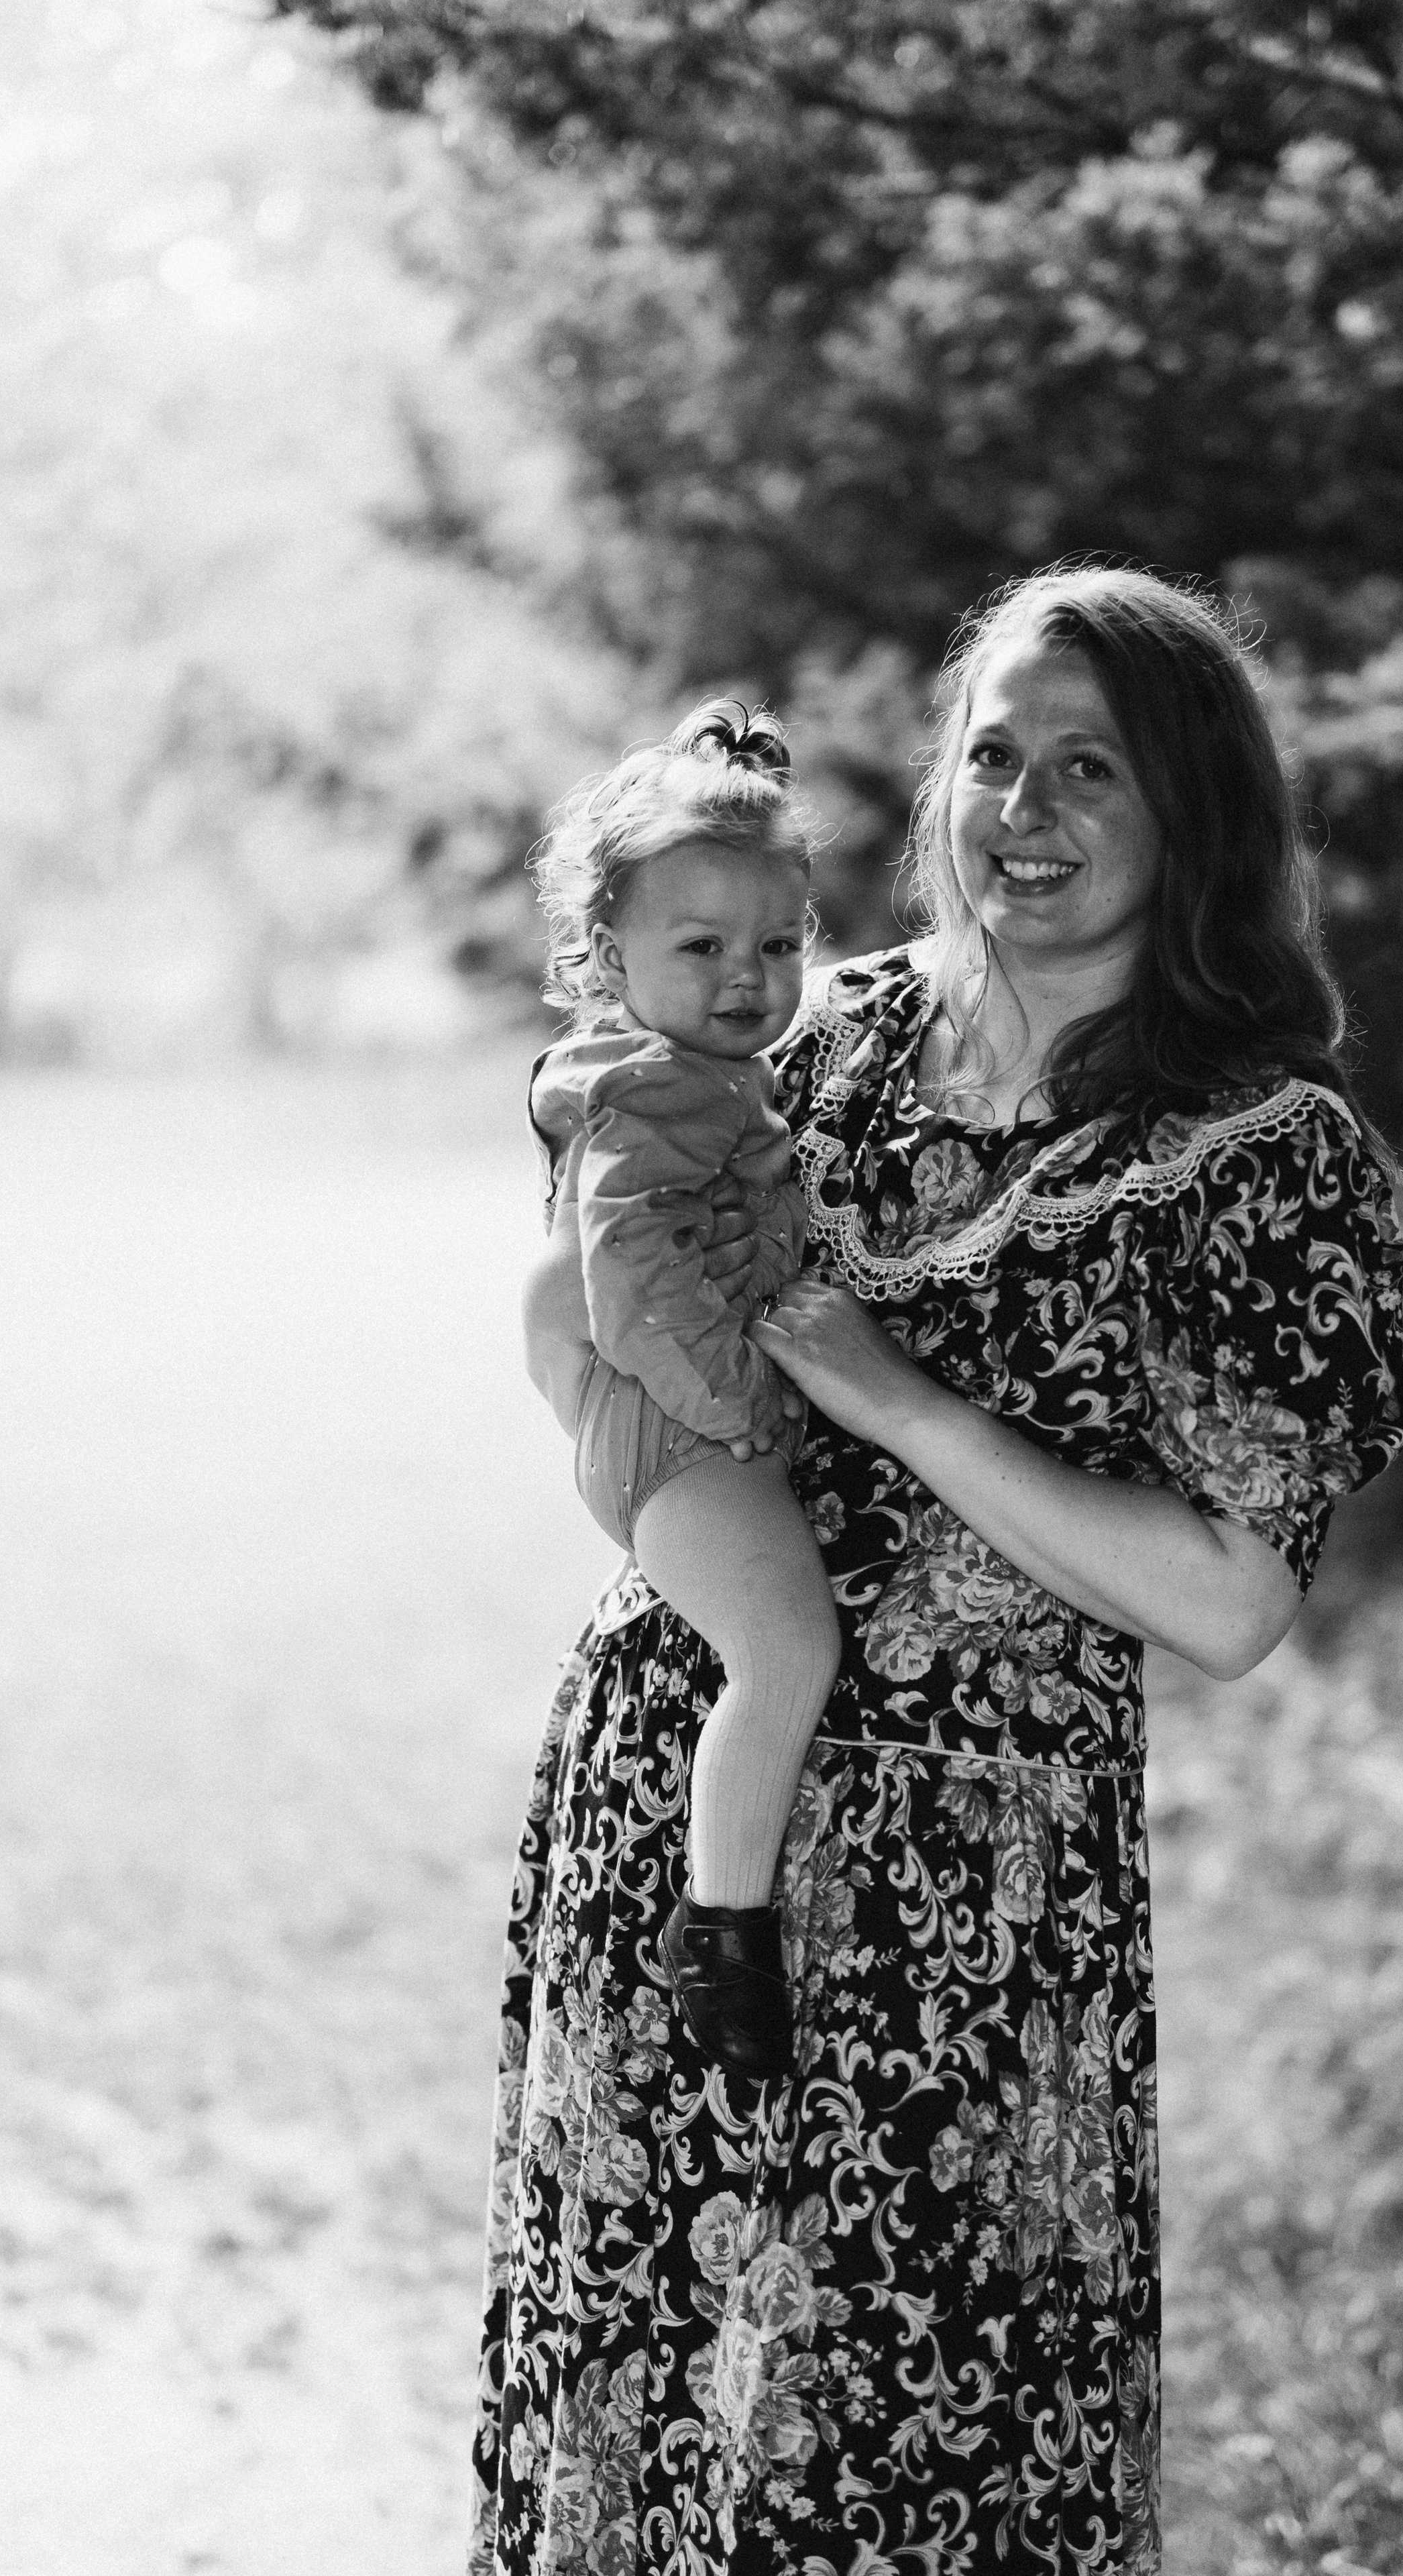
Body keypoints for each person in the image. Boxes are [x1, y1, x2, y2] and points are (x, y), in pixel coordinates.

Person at [471, 565, 1403, 2576]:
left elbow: (1231, 1603)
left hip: (971, 1904)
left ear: (1191, 811)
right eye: (995, 755)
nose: (1025, 809)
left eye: (1092, 767)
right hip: (683, 1815)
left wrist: (905, 1407)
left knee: (919, 2454)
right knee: (650, 2409)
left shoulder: (1260, 1151)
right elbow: (588, 1265)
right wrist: (587, 1367)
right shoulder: (807, 1036)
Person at [521, 701, 842, 2081]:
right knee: (787, 1649)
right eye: (700, 948)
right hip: (678, 1426)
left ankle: (726, 1912)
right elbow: (629, 1275)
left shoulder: (701, 1076)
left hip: (669, 1418)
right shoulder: (657, 1091)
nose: (746, 979)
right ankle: (724, 1931)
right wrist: (743, 1406)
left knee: (777, 1642)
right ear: (610, 957)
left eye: (776, 945)